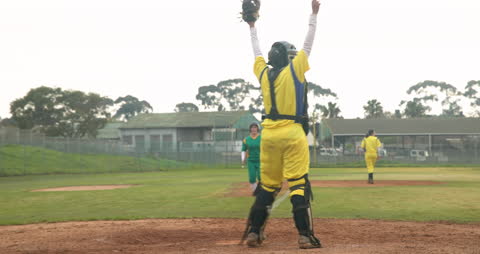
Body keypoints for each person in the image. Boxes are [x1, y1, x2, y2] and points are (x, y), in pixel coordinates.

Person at [242, 0, 322, 249]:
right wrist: (314, 14)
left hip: (269, 135)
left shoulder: (263, 73)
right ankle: (304, 236)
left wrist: (252, 25)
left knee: (268, 185)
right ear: (288, 57)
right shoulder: (295, 69)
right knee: (298, 183)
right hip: (292, 133)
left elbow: (256, 50)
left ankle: (255, 232)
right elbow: (308, 44)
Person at [241, 123, 262, 192]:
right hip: (251, 161)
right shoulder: (246, 139)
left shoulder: (262, 138)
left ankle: (261, 190)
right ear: (250, 129)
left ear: (257, 129)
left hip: (260, 160)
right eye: (252, 128)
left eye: (255, 127)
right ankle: (255, 191)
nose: (254, 129)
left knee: (260, 177)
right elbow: (243, 150)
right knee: (252, 177)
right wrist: (243, 159)